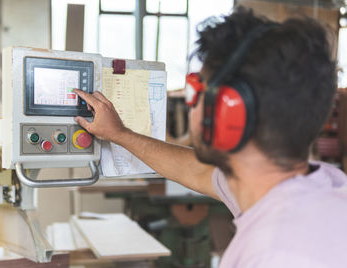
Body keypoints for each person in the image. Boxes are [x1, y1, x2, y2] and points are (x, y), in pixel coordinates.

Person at [73, 7, 347, 268]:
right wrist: (119, 134)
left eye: (196, 91)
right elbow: (193, 169)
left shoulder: (277, 254)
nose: (191, 106)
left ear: (229, 112)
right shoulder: (316, 188)